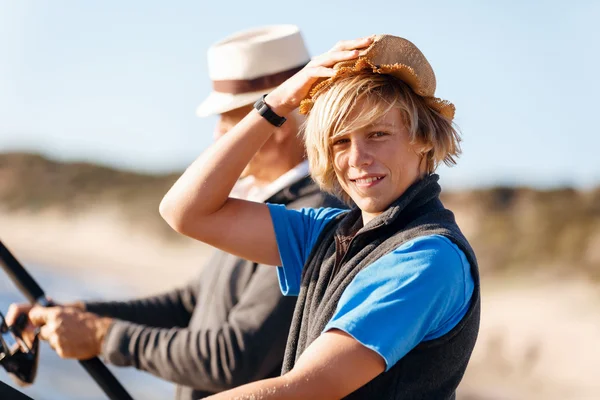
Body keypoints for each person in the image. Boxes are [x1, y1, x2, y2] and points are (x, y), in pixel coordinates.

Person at [6, 25, 344, 400]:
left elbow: (237, 356)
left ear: (277, 126)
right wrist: (81, 312)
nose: (218, 136)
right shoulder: (261, 200)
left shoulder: (313, 212)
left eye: (229, 122)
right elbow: (192, 303)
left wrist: (104, 337)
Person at [159, 34, 480, 399]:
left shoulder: (427, 257)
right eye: (340, 141)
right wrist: (276, 104)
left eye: (377, 134)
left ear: (423, 138)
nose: (357, 158)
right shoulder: (326, 234)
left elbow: (310, 387)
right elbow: (184, 212)